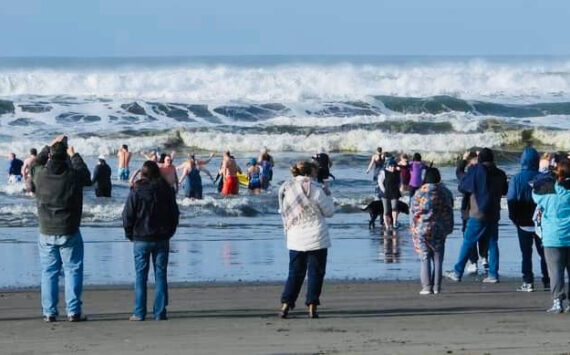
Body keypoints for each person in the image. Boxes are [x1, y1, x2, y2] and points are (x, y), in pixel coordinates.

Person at [31, 135, 92, 322]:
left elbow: (35, 163)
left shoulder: (40, 174)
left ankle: (49, 312)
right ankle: (73, 311)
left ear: (50, 157)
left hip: (46, 229)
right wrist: (74, 154)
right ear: (64, 157)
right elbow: (86, 175)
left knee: (49, 272)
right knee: (73, 269)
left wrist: (48, 146)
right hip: (69, 228)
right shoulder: (72, 176)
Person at [122, 160, 180, 321]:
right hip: (161, 237)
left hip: (141, 237)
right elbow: (174, 214)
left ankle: (139, 312)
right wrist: (170, 231)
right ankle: (159, 312)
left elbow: (127, 215)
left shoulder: (137, 190)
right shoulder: (166, 189)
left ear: (143, 174)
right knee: (160, 275)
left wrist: (129, 233)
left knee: (141, 276)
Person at [278, 161, 334, 319]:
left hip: (295, 236)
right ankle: (312, 306)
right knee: (316, 272)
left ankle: (286, 304)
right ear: (310, 173)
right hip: (317, 236)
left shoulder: (286, 188)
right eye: (315, 172)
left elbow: (283, 211)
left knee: (294, 272)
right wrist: (328, 194)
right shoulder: (316, 189)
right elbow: (329, 212)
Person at [445, 148, 508, 283]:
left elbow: (462, 185)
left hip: (478, 212)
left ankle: (457, 272)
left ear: (480, 160)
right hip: (494, 211)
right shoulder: (500, 173)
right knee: (492, 242)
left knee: (468, 241)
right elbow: (505, 190)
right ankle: (493, 274)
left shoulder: (476, 171)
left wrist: (463, 162)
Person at [507, 147, 549, 292]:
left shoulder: (516, 178)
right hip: (541, 222)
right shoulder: (544, 178)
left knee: (526, 253)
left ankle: (528, 281)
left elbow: (511, 200)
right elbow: (548, 202)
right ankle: (547, 280)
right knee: (543, 253)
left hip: (523, 221)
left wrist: (514, 218)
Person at [532, 161, 570, 313]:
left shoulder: (546, 193)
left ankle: (557, 301)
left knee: (555, 271)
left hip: (552, 237)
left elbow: (534, 189)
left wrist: (547, 173)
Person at [410, 167, 454, 295]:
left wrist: (413, 228)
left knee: (424, 257)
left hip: (422, 228)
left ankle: (426, 287)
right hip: (439, 228)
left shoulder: (418, 193)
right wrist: (449, 227)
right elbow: (449, 210)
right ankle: (437, 287)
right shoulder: (445, 192)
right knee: (438, 258)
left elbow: (413, 212)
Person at [456, 151, 488, 275]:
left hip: (469, 210)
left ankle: (474, 262)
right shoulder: (486, 174)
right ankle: (484, 258)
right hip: (483, 209)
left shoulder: (469, 176)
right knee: (483, 234)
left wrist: (464, 159)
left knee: (469, 236)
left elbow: (459, 173)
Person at [377, 157, 401, 232]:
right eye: (391, 166)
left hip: (395, 192)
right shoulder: (384, 172)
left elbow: (400, 181)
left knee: (395, 208)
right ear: (388, 166)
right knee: (386, 211)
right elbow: (380, 182)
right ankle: (387, 226)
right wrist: (384, 190)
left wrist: (399, 188)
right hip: (386, 193)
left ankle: (394, 222)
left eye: (394, 166)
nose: (393, 167)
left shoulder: (397, 173)